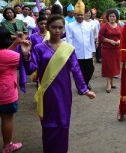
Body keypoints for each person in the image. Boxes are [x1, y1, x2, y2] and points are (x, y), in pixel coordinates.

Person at [20, 15, 96, 153]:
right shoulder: (39, 48)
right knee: (48, 123)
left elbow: (76, 70)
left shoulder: (68, 48)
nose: (57, 30)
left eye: (60, 27)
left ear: (64, 29)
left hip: (64, 91)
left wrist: (84, 90)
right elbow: (31, 69)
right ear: (47, 27)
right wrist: (26, 55)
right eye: (54, 27)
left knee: (63, 122)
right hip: (47, 92)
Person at [0, 26, 23, 153]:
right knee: (7, 119)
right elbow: (26, 60)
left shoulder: (8, 55)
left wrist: (15, 43)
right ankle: (7, 145)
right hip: (6, 93)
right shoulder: (13, 56)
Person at [66, 0, 95, 90]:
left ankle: (84, 84)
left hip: (88, 52)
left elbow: (91, 39)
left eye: (81, 15)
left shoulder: (88, 25)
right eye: (78, 15)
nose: (80, 16)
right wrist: (70, 52)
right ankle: (81, 87)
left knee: (90, 69)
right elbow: (69, 39)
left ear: (84, 15)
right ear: (74, 15)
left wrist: (93, 50)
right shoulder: (70, 26)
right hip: (77, 53)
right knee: (79, 71)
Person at [98, 9, 122, 93]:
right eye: (110, 16)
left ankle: (112, 82)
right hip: (107, 49)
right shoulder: (104, 26)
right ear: (108, 17)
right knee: (108, 66)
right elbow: (100, 36)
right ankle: (108, 84)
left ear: (116, 17)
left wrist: (119, 41)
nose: (112, 18)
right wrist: (110, 41)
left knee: (113, 66)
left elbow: (122, 36)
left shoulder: (119, 25)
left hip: (116, 49)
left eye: (114, 16)